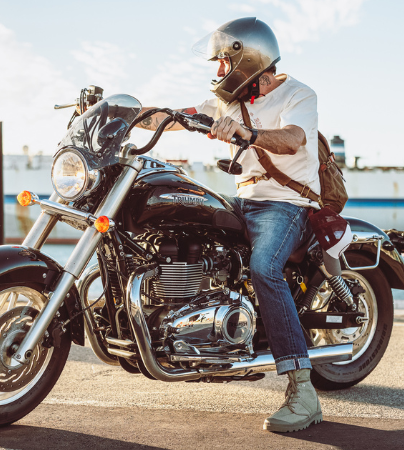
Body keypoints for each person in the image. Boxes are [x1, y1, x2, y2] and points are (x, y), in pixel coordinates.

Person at [137, 17, 322, 433]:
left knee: (264, 268)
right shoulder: (228, 102)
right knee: (182, 223)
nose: (218, 72)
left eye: (223, 62)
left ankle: (303, 390)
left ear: (248, 60)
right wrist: (123, 113)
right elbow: (176, 116)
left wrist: (246, 132)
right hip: (245, 200)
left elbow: (292, 139)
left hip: (287, 204)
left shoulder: (298, 94)